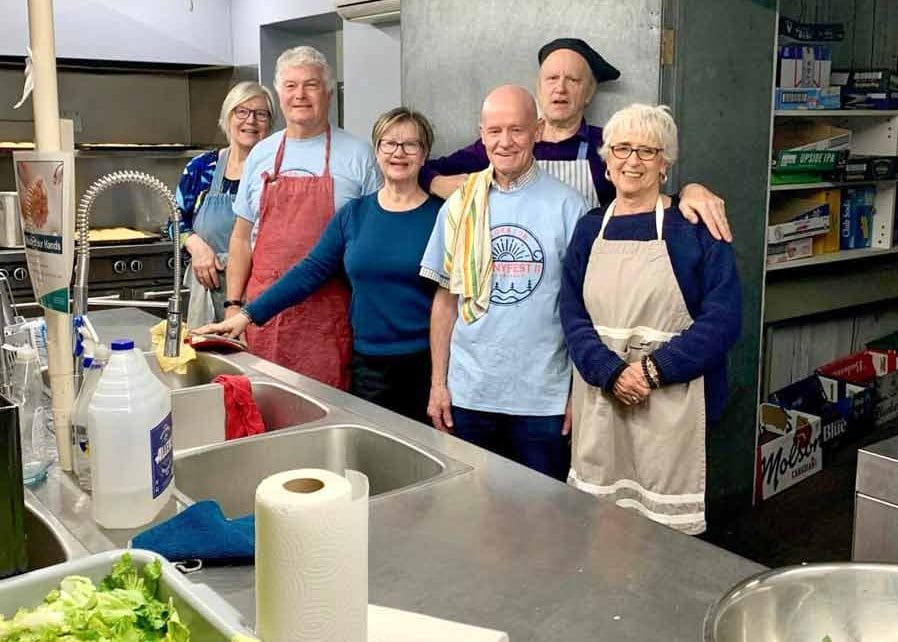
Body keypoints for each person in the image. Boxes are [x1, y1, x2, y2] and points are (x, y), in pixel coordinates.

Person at [559, 103, 741, 535]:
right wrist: (610, 372)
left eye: (647, 150)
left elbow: (724, 318)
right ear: (607, 160)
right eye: (622, 148)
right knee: (604, 526)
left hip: (675, 405)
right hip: (602, 398)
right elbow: (571, 312)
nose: (633, 161)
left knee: (666, 535)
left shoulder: (695, 227)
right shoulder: (589, 228)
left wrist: (651, 371)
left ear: (665, 163)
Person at [195, 108, 440, 423]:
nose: (398, 153)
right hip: (367, 365)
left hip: (426, 364)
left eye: (410, 145)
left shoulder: (442, 216)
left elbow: (452, 299)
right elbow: (310, 270)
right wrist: (246, 314)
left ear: (424, 154)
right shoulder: (354, 214)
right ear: (377, 151)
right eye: (389, 143)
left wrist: (441, 381)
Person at [420, 85, 587, 480]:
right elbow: (445, 302)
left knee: (541, 509)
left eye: (517, 129)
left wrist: (577, 395)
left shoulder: (570, 206)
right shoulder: (460, 204)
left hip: (542, 402)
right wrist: (438, 384)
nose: (505, 142)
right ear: (482, 135)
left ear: (538, 131)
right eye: (494, 131)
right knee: (471, 508)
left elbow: (584, 310)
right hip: (469, 396)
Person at [419, 37, 732, 241]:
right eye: (552, 78)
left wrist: (689, 190)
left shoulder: (608, 145)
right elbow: (417, 169)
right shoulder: (509, 144)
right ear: (539, 87)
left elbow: (647, 195)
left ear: (589, 92)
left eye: (573, 80)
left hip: (589, 275)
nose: (560, 88)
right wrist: (436, 182)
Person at [224, 46, 381, 390]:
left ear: (328, 94)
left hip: (329, 320)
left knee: (327, 410)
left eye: (311, 85)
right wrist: (233, 304)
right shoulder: (261, 154)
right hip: (263, 314)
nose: (300, 95)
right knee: (265, 407)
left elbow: (374, 242)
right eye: (291, 86)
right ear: (279, 94)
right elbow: (241, 237)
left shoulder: (359, 156)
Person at [173, 81, 275, 326]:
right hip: (209, 293)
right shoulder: (201, 168)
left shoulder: (278, 171)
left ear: (270, 124)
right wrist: (196, 245)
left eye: (260, 114)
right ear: (227, 118)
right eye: (241, 112)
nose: (250, 120)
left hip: (261, 295)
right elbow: (174, 220)